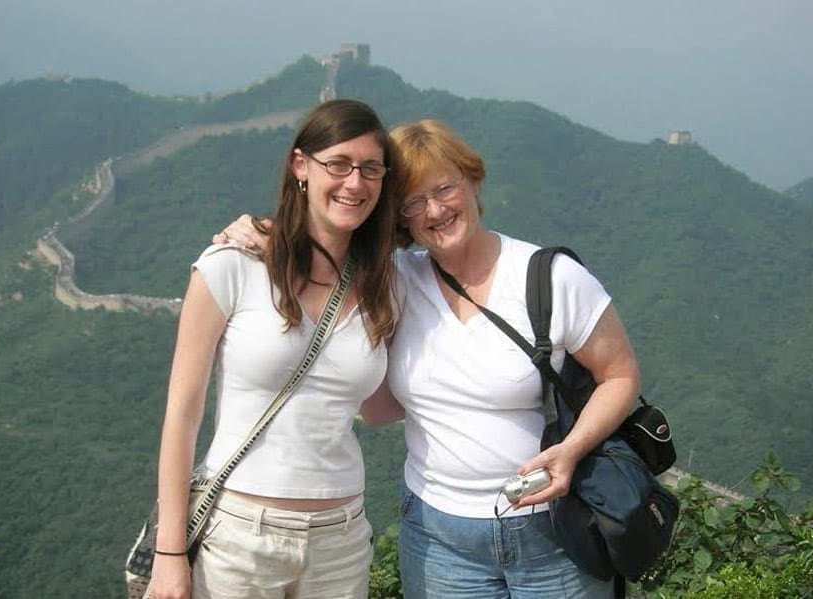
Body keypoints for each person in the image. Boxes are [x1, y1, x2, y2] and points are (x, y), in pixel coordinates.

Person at [215, 118, 641, 598]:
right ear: (400, 219)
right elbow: (319, 259)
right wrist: (261, 234)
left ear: (473, 181)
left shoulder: (550, 278)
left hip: (551, 530)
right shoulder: (392, 280)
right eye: (413, 203)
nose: (435, 211)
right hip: (440, 538)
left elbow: (620, 376)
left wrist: (572, 450)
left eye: (444, 189)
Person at [151, 99, 399, 599]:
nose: (355, 182)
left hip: (341, 539)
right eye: (339, 164)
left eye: (370, 169)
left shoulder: (387, 283)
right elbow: (182, 415)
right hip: (240, 539)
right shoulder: (230, 265)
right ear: (300, 166)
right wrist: (170, 551)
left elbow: (374, 408)